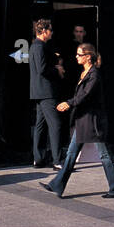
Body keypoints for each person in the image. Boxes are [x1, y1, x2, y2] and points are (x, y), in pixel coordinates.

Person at [41, 43, 114, 199]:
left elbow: (85, 96)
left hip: (93, 122)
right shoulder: (85, 73)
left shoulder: (94, 75)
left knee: (104, 155)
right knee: (71, 154)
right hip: (82, 120)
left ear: (88, 57)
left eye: (79, 54)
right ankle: (57, 184)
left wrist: (68, 103)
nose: (76, 57)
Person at [29, 18, 64, 169]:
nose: (51, 33)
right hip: (46, 91)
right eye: (50, 30)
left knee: (40, 124)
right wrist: (57, 69)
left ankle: (39, 158)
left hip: (39, 91)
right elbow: (42, 69)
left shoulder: (38, 46)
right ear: (43, 31)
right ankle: (57, 160)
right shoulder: (39, 46)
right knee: (55, 124)